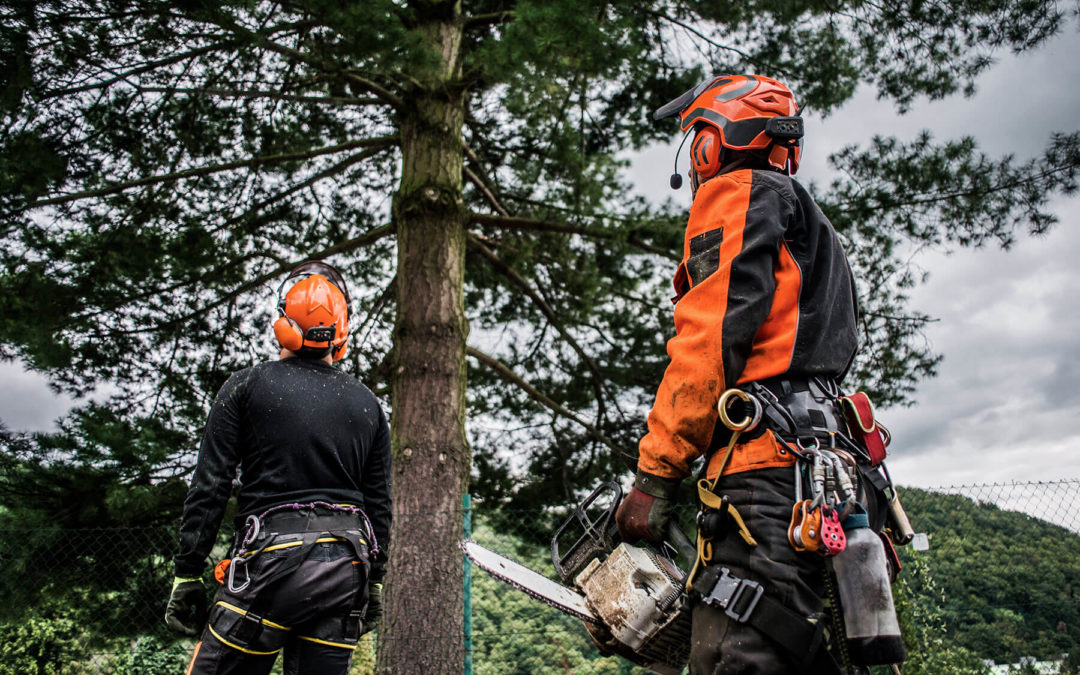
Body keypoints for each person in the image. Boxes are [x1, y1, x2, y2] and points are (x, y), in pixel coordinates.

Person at [615, 74, 871, 674]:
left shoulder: (738, 192)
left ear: (713, 140)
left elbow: (708, 339)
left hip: (765, 473)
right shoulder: (812, 224)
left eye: (697, 141)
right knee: (793, 650)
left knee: (737, 655)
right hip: (826, 468)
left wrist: (656, 473)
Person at [165, 260, 392, 675]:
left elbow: (210, 485)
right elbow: (379, 503)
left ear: (283, 324)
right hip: (346, 571)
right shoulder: (368, 405)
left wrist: (187, 571)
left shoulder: (246, 385)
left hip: (268, 569)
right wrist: (374, 579)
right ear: (339, 337)